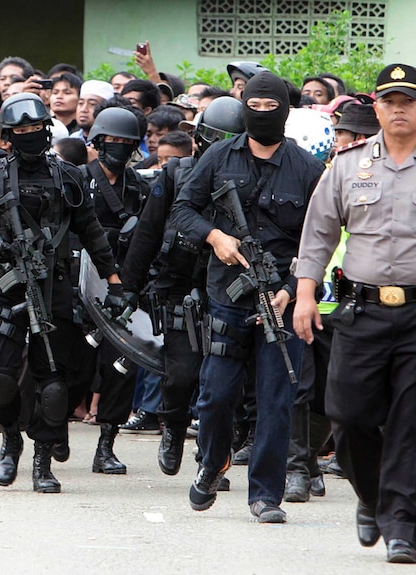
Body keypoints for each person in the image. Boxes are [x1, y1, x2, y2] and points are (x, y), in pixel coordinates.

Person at [293, 63, 416, 564]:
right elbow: (318, 235)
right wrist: (306, 293)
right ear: (375, 106)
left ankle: (403, 527)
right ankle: (372, 496)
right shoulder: (348, 165)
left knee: (414, 421)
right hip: (361, 309)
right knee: (348, 414)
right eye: (389, 100)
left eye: (408, 100)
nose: (398, 108)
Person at [0, 93, 123, 493]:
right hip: (7, 285)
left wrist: (114, 282)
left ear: (46, 130)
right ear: (8, 136)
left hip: (55, 286)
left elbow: (92, 232)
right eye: (20, 131)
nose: (29, 137)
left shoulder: (70, 176)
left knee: (54, 382)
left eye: (35, 129)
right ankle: (10, 438)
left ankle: (43, 459)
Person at [172, 71, 324, 523]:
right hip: (226, 295)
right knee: (216, 397)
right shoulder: (219, 156)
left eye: (269, 108)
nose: (261, 115)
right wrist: (214, 235)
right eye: (253, 107)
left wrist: (292, 289)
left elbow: (319, 240)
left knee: (277, 399)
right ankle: (213, 461)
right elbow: (183, 208)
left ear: (284, 111)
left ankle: (265, 496)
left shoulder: (308, 169)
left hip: (282, 299)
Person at [123, 95, 243, 477]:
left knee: (220, 384)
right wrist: (127, 288)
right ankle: (173, 428)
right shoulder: (176, 175)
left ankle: (210, 459)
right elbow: (146, 234)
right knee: (181, 375)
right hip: (178, 289)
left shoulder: (244, 177)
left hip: (226, 289)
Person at [78, 107, 149, 474]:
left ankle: (106, 444)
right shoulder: (77, 180)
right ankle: (51, 438)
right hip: (80, 281)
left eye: (126, 142)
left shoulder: (139, 186)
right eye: (111, 141)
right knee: (70, 364)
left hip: (122, 285)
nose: (118, 148)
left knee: (122, 366)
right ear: (97, 142)